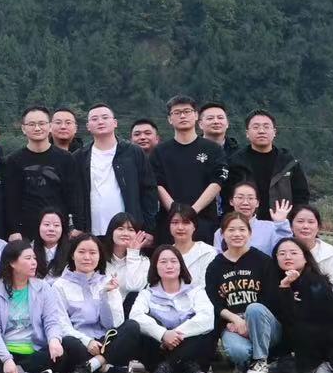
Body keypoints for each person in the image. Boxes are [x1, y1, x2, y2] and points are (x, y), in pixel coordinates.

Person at [0, 239, 89, 373]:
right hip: (3, 352)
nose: (34, 262)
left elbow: (52, 321)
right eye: (28, 258)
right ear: (12, 263)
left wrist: (54, 340)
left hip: (36, 352)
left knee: (66, 347)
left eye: (34, 258)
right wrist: (6, 359)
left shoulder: (43, 287)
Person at [106, 247, 217, 373]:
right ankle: (184, 365)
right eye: (163, 262)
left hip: (188, 354)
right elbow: (136, 315)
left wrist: (174, 335)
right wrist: (163, 334)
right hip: (158, 353)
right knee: (138, 325)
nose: (169, 266)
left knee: (205, 327)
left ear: (181, 265)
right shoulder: (147, 293)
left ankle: (168, 366)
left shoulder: (195, 291)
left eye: (173, 261)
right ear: (155, 267)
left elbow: (206, 317)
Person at [270, 237, 333, 373]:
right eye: (282, 253)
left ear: (305, 257)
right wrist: (284, 286)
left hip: (323, 341)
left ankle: (320, 364)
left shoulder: (317, 283)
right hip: (289, 339)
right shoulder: (272, 281)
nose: (287, 257)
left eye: (293, 253)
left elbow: (294, 317)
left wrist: (286, 288)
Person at [50, 234, 124, 373]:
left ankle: (92, 365)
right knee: (68, 341)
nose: (87, 257)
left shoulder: (107, 282)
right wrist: (87, 341)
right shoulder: (60, 285)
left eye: (93, 253)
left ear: (100, 256)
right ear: (72, 255)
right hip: (79, 343)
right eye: (81, 252)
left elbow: (114, 324)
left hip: (105, 342)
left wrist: (105, 294)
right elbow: (61, 324)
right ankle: (105, 368)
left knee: (132, 327)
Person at [152, 96, 227, 243]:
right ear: (169, 119)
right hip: (170, 223)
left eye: (187, 111)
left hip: (204, 221)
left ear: (196, 115)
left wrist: (193, 211)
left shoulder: (213, 149)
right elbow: (157, 183)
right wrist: (176, 211)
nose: (182, 116)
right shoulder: (160, 151)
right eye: (177, 112)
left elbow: (218, 181)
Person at [1, 106, 81, 241]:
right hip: (26, 231)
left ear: (50, 126)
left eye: (41, 123)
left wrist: (76, 226)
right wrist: (13, 230)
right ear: (23, 128)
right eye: (31, 124)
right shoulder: (13, 160)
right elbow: (11, 200)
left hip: (58, 228)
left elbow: (74, 197)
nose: (37, 128)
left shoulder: (66, 159)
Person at [80, 104, 155, 244]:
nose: (100, 122)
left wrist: (149, 229)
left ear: (115, 122)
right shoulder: (80, 156)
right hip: (92, 231)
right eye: (94, 119)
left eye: (105, 117)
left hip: (129, 230)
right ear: (88, 126)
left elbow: (148, 191)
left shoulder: (133, 152)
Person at [228, 110, 311, 220]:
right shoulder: (235, 163)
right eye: (256, 127)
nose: (261, 131)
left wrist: (293, 221)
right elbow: (227, 196)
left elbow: (301, 196)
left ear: (274, 132)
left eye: (266, 127)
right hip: (245, 224)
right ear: (247, 133)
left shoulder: (288, 163)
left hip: (281, 224)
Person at [213, 181, 292, 254]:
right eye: (240, 197)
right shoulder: (221, 232)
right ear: (231, 201)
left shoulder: (271, 227)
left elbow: (286, 250)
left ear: (257, 203)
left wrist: (281, 223)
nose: (245, 203)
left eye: (250, 198)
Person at [287, 204, 333, 291]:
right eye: (300, 221)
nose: (305, 226)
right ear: (291, 226)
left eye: (311, 222)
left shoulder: (330, 253)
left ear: (318, 227)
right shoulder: (283, 250)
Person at [163, 204, 217, 295]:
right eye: (175, 222)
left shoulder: (207, 252)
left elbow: (205, 286)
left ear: (194, 226)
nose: (180, 227)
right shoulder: (164, 255)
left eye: (186, 222)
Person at [103, 213, 150, 299]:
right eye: (120, 229)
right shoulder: (99, 258)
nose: (125, 233)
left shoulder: (144, 261)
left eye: (131, 230)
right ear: (111, 232)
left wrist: (133, 254)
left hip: (131, 306)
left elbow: (134, 288)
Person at [29, 211, 68, 278]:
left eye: (56, 225)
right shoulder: (29, 250)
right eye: (47, 224)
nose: (51, 229)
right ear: (38, 226)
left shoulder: (72, 251)